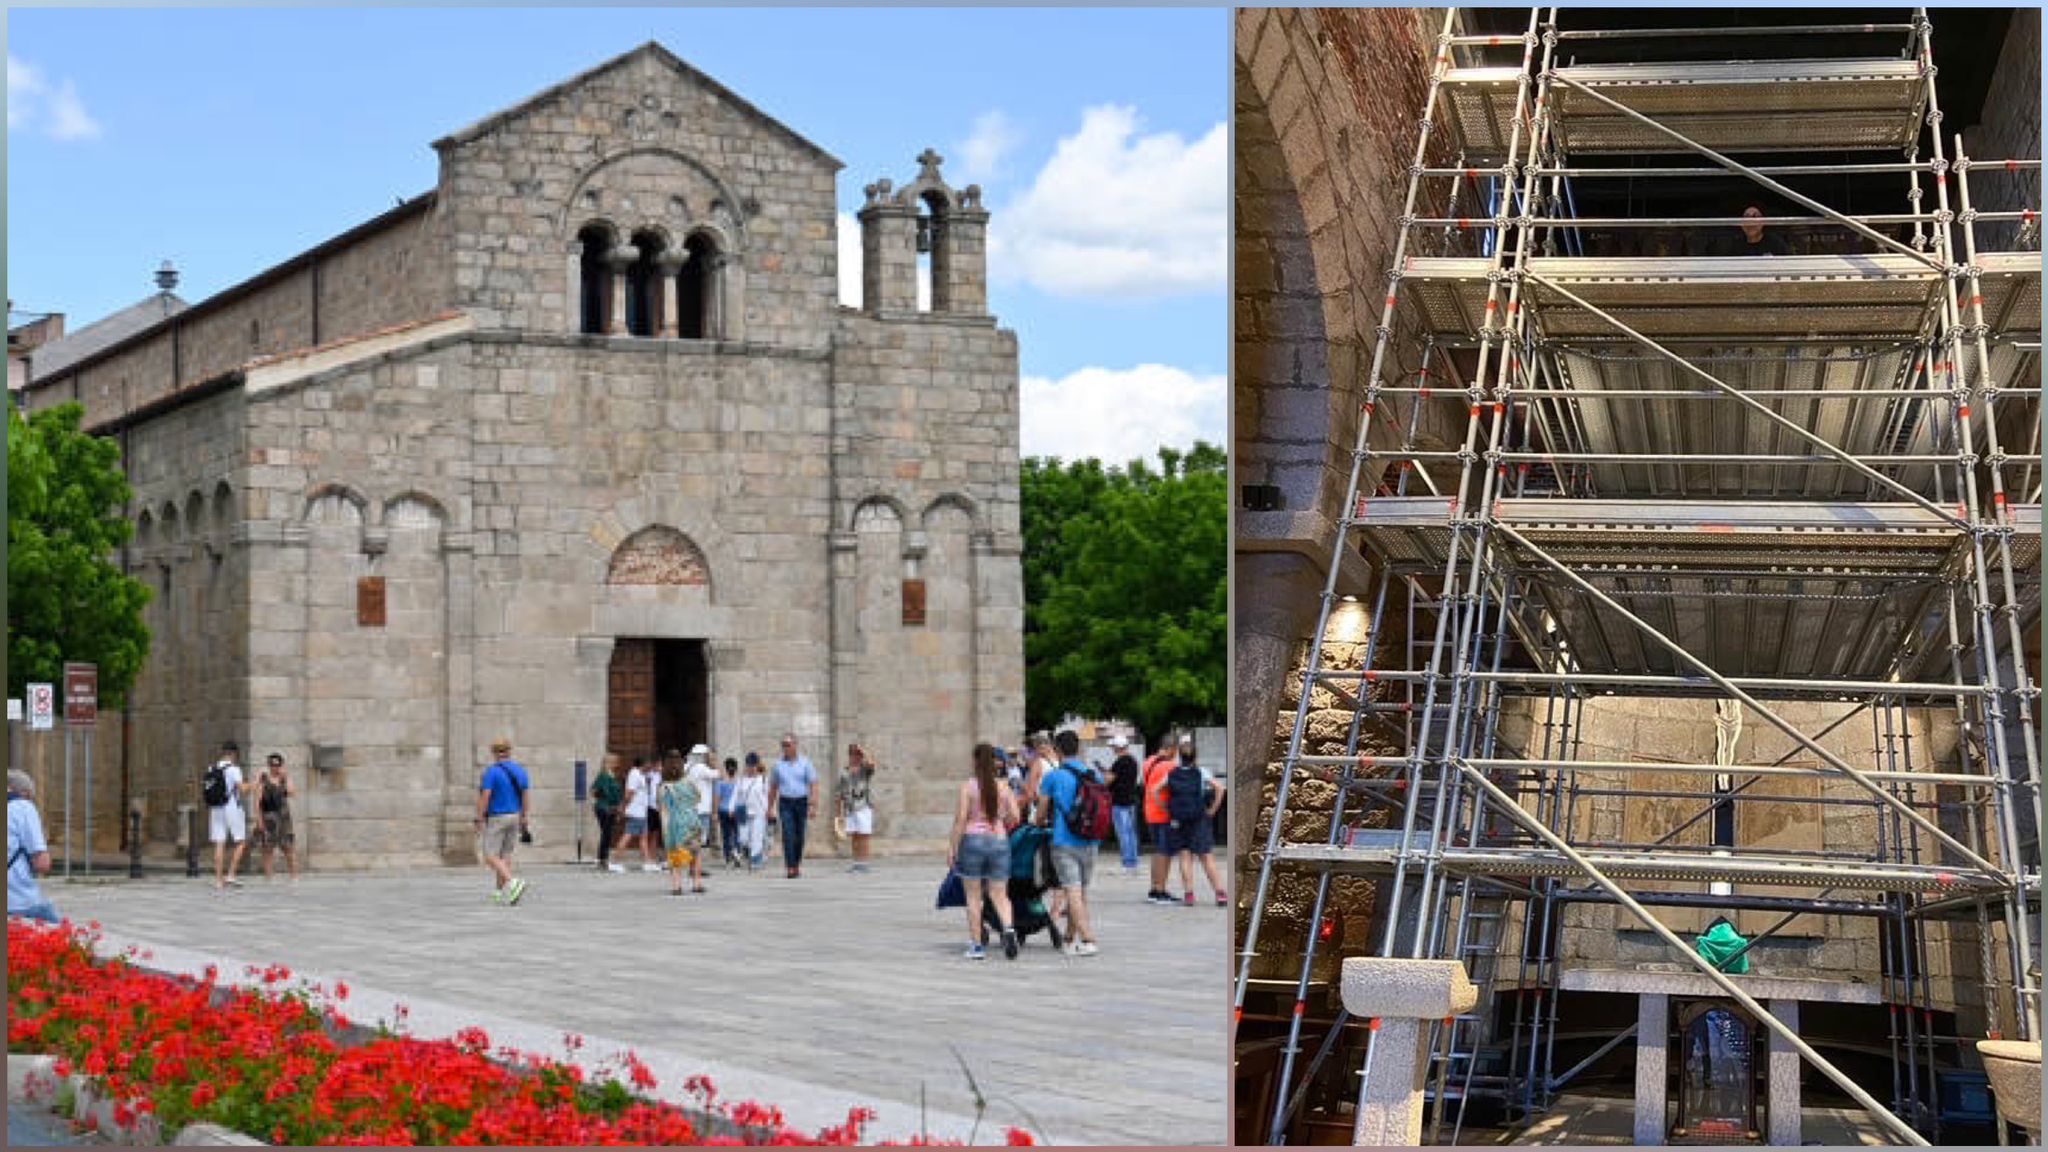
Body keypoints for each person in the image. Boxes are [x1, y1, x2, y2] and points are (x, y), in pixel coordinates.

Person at [949, 743, 1020, 960]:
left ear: (976, 761)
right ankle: (1008, 929)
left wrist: (952, 847)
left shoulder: (968, 786)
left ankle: (977, 946)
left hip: (973, 841)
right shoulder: (1004, 787)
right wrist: (1001, 822)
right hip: (998, 840)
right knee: (1000, 894)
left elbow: (961, 819)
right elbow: (1015, 817)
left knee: (973, 896)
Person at [1034, 729, 1102, 956]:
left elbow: (1041, 812)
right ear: (1079, 748)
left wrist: (1038, 823)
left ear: (1057, 750)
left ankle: (1088, 939)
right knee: (1080, 892)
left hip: (1064, 841)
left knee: (1072, 891)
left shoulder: (1053, 777)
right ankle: (1069, 938)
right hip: (1091, 840)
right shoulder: (1094, 775)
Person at [1165, 735, 1227, 906]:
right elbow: (1220, 788)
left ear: (1179, 756)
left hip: (1179, 819)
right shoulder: (1201, 772)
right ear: (1195, 756)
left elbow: (1156, 790)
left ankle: (1189, 894)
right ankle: (1220, 893)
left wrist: (1166, 808)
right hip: (1199, 818)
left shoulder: (1172, 773)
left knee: (1185, 856)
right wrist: (1212, 809)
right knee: (1206, 856)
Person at [475, 738, 531, 905]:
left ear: (494, 753)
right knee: (505, 856)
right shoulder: (520, 770)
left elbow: (486, 795)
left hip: (498, 817)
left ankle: (513, 882)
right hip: (515, 816)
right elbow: (525, 795)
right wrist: (525, 816)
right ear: (509, 751)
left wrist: (479, 817)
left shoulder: (491, 772)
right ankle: (499, 893)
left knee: (489, 856)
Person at [7, 770, 57, 923]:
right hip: (17, 899)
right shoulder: (22, 807)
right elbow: (42, 863)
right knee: (65, 939)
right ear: (25, 793)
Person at [767, 733, 818, 878]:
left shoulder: (805, 763)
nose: (785, 748)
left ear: (795, 745)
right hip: (785, 803)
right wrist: (769, 808)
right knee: (788, 834)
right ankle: (790, 866)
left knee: (800, 836)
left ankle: (796, 864)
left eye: (788, 744)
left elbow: (813, 784)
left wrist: (813, 805)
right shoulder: (778, 765)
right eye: (783, 745)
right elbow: (773, 788)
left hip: (801, 802)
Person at [203, 740, 251, 889]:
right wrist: (254, 784)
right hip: (232, 807)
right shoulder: (234, 769)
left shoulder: (212, 767)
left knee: (219, 843)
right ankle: (230, 875)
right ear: (234, 753)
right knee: (241, 841)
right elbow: (242, 789)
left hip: (216, 808)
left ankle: (218, 880)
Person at [657, 758, 706, 895]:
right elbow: (698, 798)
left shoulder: (664, 786)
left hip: (674, 822)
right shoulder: (688, 783)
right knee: (695, 852)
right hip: (691, 819)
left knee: (675, 853)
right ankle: (696, 883)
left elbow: (661, 807)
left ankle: (676, 886)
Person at [1141, 736, 1180, 904]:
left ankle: (1153, 888)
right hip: (1164, 813)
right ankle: (1161, 891)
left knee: (1157, 851)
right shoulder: (1170, 766)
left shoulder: (1148, 762)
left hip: (1149, 812)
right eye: (1176, 751)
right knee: (1165, 853)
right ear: (1171, 749)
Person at [254, 752, 301, 883]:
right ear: (268, 765)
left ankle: (294, 875)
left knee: (288, 847)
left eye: (277, 764)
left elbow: (292, 792)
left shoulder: (284, 778)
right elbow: (257, 802)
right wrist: (259, 820)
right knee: (267, 848)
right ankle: (269, 876)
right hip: (268, 816)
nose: (275, 767)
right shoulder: (263, 780)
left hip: (283, 817)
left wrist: (286, 777)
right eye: (272, 765)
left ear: (281, 765)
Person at [684, 746, 719, 889]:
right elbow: (719, 774)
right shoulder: (701, 768)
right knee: (698, 843)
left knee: (694, 842)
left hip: (690, 808)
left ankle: (693, 869)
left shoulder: (687, 767)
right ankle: (695, 875)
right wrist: (714, 763)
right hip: (701, 810)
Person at [839, 743, 878, 873]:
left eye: (857, 754)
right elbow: (840, 792)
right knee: (855, 835)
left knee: (864, 834)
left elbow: (872, 764)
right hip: (850, 806)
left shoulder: (864, 769)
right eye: (852, 754)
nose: (855, 756)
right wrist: (839, 812)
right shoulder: (844, 771)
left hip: (863, 805)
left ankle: (864, 863)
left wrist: (863, 751)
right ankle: (856, 862)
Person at [1106, 735, 1141, 874]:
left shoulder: (1119, 762)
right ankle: (1133, 862)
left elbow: (1108, 780)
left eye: (1113, 746)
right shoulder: (1133, 761)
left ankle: (1127, 863)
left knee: (1123, 833)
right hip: (1131, 800)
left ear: (1117, 747)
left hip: (1119, 801)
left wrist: (1104, 775)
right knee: (1131, 833)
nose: (1112, 749)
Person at [621, 756, 658, 873]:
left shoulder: (641, 774)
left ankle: (647, 862)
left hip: (641, 812)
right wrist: (623, 808)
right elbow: (629, 793)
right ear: (643, 764)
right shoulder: (634, 774)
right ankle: (615, 862)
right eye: (649, 763)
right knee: (627, 836)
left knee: (643, 838)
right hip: (635, 812)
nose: (650, 766)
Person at [593, 753, 625, 873]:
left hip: (611, 809)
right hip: (604, 808)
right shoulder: (603, 776)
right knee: (606, 834)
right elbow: (594, 791)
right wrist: (604, 798)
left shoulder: (612, 776)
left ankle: (603, 859)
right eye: (616, 761)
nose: (618, 763)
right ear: (610, 762)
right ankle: (602, 859)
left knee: (607, 834)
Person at [736, 752, 769, 870]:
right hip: (744, 812)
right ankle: (753, 854)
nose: (750, 768)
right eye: (748, 765)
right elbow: (736, 795)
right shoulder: (741, 780)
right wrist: (731, 808)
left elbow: (767, 796)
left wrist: (769, 810)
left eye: (753, 765)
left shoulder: (763, 779)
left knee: (757, 837)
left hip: (759, 812)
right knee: (743, 838)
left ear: (757, 766)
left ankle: (756, 861)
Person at [715, 758, 742, 868]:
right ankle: (737, 855)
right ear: (736, 769)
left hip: (723, 811)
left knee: (726, 836)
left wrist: (714, 813)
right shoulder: (739, 782)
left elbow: (717, 798)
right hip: (736, 811)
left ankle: (728, 859)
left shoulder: (721, 782)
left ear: (725, 769)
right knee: (737, 834)